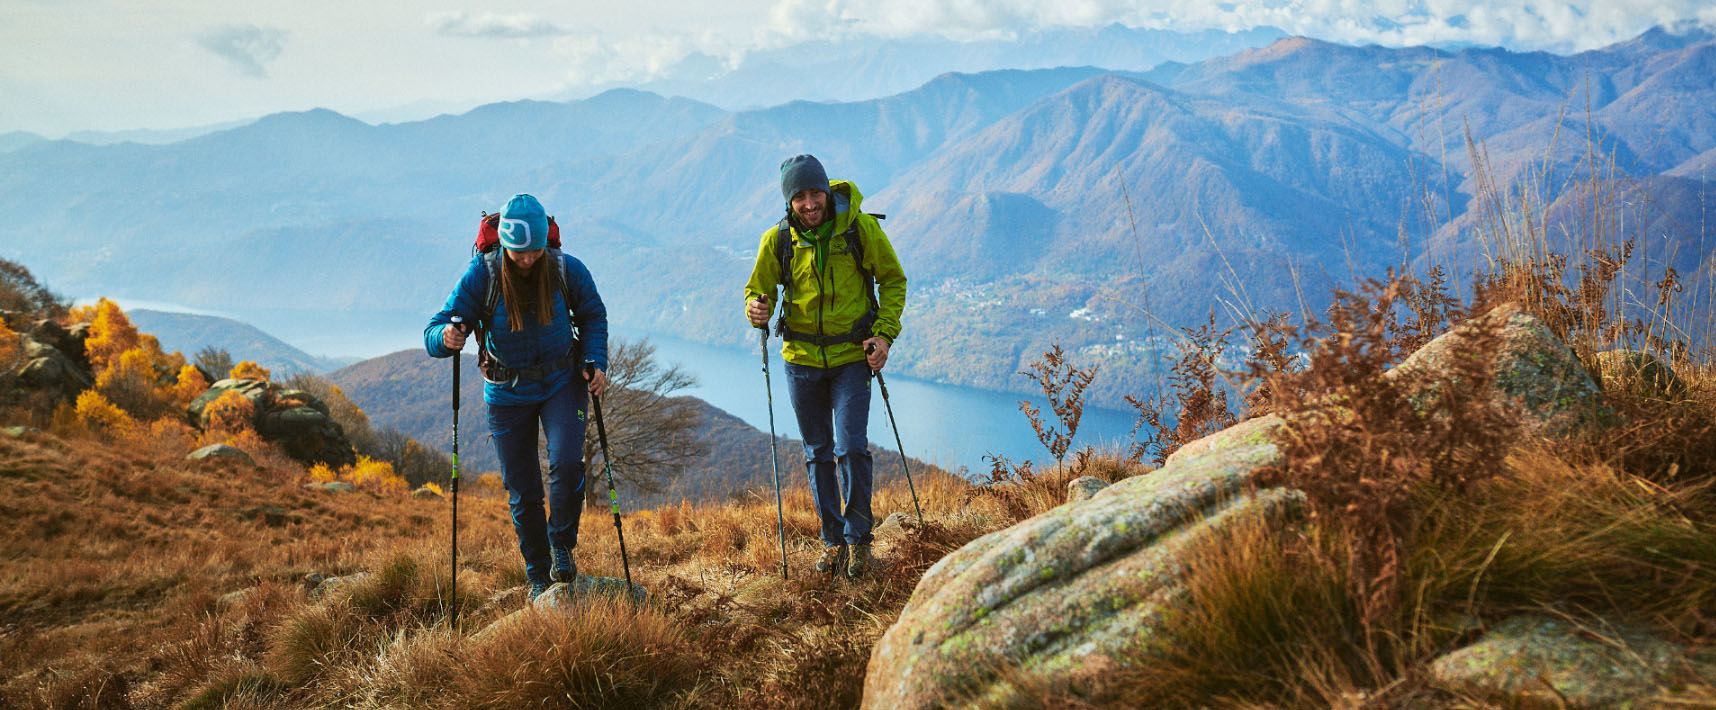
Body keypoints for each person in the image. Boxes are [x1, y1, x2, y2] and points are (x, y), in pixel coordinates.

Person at [426, 193, 609, 600]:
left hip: (562, 380)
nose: (526, 259)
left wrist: (596, 359)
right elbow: (434, 330)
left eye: (534, 251)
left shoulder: (566, 268)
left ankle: (562, 548)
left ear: (546, 243)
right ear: (503, 245)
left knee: (565, 462)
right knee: (523, 490)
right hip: (507, 391)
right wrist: (447, 336)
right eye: (517, 252)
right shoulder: (484, 273)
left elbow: (594, 314)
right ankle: (538, 575)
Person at [743, 154, 907, 579]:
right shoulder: (777, 240)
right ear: (789, 201)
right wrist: (755, 309)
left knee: (850, 447)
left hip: (852, 357)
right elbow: (758, 290)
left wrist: (884, 334)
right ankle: (833, 542)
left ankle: (859, 543)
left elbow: (892, 279)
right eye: (800, 197)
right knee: (817, 454)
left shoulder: (858, 228)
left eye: (815, 193)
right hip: (800, 362)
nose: (810, 203)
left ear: (826, 191)